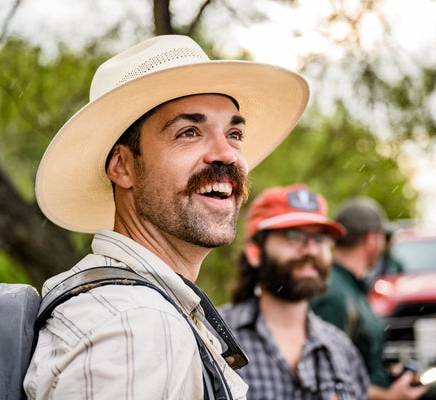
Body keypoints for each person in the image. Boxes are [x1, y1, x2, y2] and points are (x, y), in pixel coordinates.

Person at [23, 35, 310, 399]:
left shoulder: (144, 310)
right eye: (188, 132)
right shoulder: (134, 327)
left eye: (234, 133)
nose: (227, 154)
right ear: (122, 167)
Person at [219, 183, 370, 400]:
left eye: (320, 239)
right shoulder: (212, 339)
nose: (310, 249)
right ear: (255, 253)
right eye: (294, 236)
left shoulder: (343, 352)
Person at [310, 198, 428, 400]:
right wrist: (389, 396)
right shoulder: (334, 295)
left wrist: (388, 374)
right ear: (371, 239)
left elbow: (357, 362)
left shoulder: (349, 287)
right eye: (383, 237)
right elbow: (325, 380)